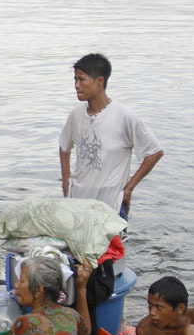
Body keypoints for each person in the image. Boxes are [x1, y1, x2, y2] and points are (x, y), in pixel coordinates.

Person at [59, 53, 164, 218]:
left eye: (81, 79)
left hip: (111, 206)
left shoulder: (124, 116)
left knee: (110, 245)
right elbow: (64, 146)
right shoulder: (76, 116)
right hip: (78, 204)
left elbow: (154, 152)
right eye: (75, 79)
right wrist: (66, 178)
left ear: (99, 81)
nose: (76, 85)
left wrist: (128, 189)